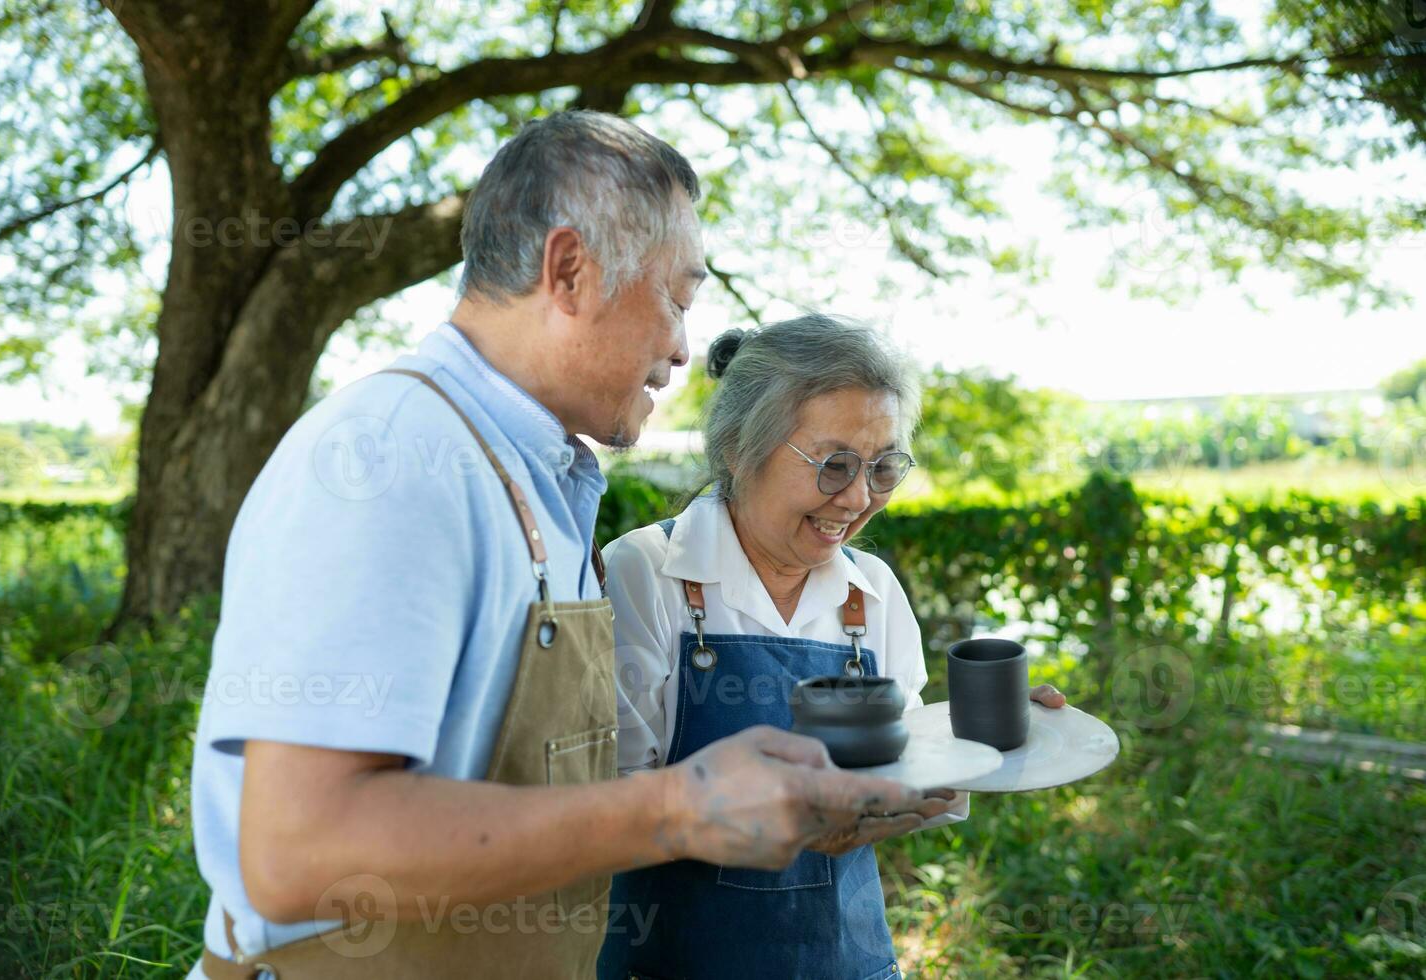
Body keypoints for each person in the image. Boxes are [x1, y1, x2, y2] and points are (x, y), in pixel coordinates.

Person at [187, 113, 927, 978]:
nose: (685, 351)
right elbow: (298, 854)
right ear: (569, 271)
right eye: (677, 301)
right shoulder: (391, 458)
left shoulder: (540, 480)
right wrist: (677, 809)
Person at [596, 314, 1068, 980]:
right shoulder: (643, 574)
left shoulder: (870, 592)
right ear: (738, 449)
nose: (857, 498)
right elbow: (606, 809)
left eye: (883, 468)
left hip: (849, 962)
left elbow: (905, 770)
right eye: (833, 465)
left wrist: (989, 737)